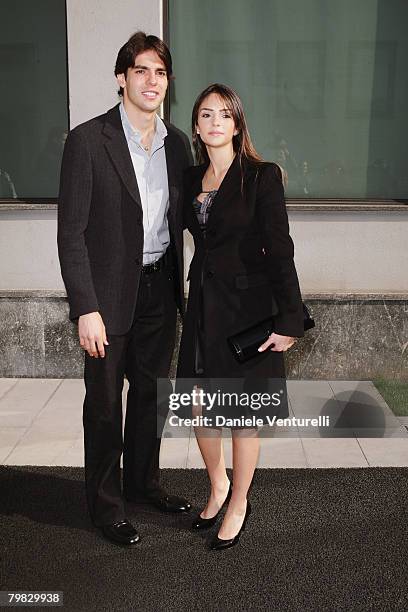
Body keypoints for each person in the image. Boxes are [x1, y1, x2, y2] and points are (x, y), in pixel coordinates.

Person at [57, 32, 193, 546]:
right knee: (105, 406)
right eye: (141, 70)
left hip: (159, 289)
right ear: (122, 78)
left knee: (151, 398)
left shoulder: (177, 144)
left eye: (160, 73)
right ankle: (105, 505)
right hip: (108, 297)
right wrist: (85, 307)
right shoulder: (88, 141)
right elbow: (70, 233)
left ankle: (143, 484)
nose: (151, 81)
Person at [177, 84, 304, 550]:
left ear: (237, 125)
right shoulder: (191, 180)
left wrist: (289, 320)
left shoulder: (261, 176)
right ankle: (218, 485)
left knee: (241, 412)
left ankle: (239, 502)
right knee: (194, 404)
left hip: (248, 311)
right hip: (202, 309)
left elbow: (281, 250)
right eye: (206, 114)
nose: (215, 122)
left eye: (224, 115)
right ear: (196, 125)